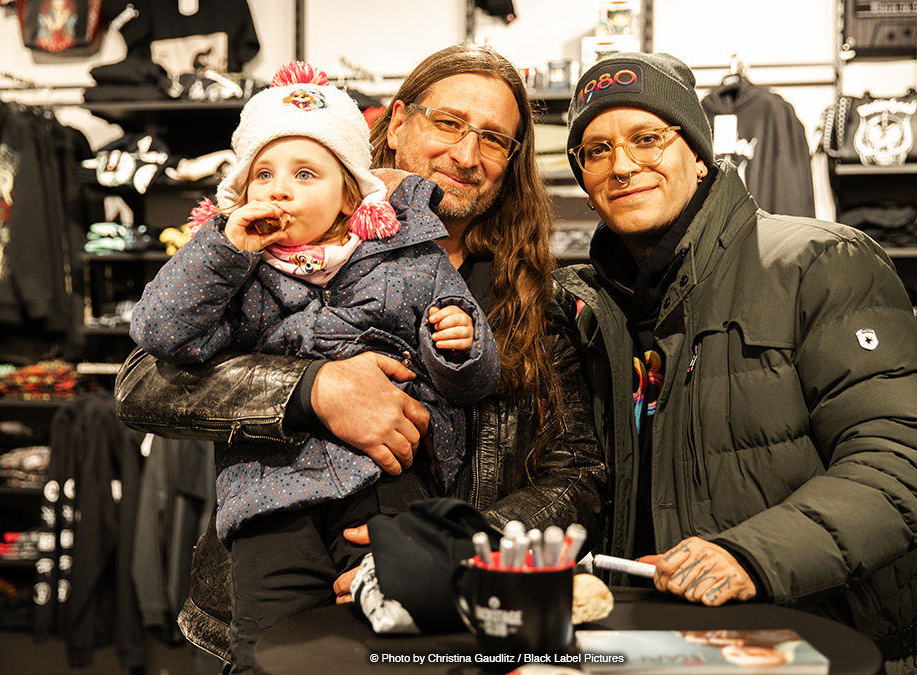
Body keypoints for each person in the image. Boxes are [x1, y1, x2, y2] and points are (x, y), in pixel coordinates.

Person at [114, 42, 607, 664]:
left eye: (494, 138)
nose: (466, 154)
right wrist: (312, 390)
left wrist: (444, 548)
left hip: (438, 599)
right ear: (396, 123)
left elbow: (577, 473)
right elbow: (144, 381)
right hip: (271, 550)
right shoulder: (263, 249)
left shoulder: (536, 299)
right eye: (449, 122)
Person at [552, 52, 917, 675]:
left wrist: (750, 556)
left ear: (698, 153)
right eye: (596, 150)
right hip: (649, 646)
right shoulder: (585, 308)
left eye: (647, 138)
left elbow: (906, 458)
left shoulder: (817, 263)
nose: (623, 165)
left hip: (813, 645)